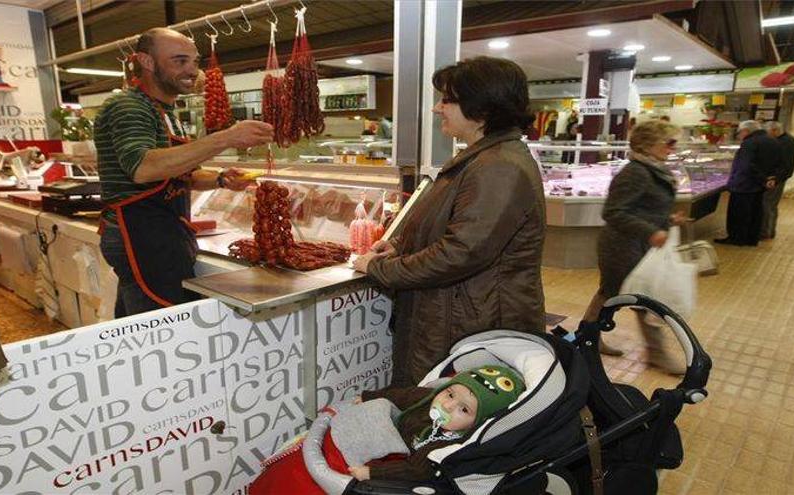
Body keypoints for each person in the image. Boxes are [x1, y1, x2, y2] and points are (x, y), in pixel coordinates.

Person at [352, 57, 546, 387]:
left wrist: (378, 268)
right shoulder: (484, 157)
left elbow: (461, 252)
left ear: (482, 108)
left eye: (447, 100)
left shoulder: (500, 167)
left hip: (474, 323)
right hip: (459, 314)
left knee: (450, 416)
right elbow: (452, 223)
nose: (437, 108)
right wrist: (399, 245)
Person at [95, 28, 274, 317]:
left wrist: (220, 179)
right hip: (138, 234)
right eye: (180, 61)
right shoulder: (128, 106)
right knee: (157, 329)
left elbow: (184, 174)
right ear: (147, 61)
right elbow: (143, 168)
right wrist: (226, 138)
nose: (192, 70)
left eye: (194, 61)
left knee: (140, 321)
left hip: (163, 232)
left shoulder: (167, 113)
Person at [249, 365, 525, 493]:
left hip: (390, 459)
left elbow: (416, 469)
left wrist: (372, 472)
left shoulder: (444, 445)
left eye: (464, 410)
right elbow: (400, 396)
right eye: (450, 395)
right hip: (372, 433)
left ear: (476, 423)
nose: (449, 406)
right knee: (302, 462)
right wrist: (368, 397)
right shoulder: (426, 399)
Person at [580, 120, 685, 372]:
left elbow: (641, 208)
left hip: (638, 244)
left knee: (610, 294)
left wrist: (667, 220)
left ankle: (588, 339)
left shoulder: (654, 168)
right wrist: (652, 231)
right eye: (668, 142)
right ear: (649, 144)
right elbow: (613, 212)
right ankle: (657, 353)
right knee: (639, 298)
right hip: (622, 247)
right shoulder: (635, 172)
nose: (673, 148)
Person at [715, 120, 781, 247]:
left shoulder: (750, 142)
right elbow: (778, 163)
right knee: (755, 213)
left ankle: (737, 239)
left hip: (744, 184)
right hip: (760, 186)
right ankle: (752, 239)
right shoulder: (773, 141)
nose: (739, 135)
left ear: (746, 131)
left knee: (739, 214)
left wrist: (733, 182)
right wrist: (767, 179)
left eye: (739, 132)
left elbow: (746, 165)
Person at [761, 121, 794, 239]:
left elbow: (784, 164)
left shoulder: (786, 142)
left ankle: (766, 232)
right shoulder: (786, 140)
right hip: (777, 177)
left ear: (775, 131)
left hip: (776, 178)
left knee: (768, 204)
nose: (766, 136)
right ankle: (769, 231)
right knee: (770, 204)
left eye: (767, 132)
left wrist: (775, 178)